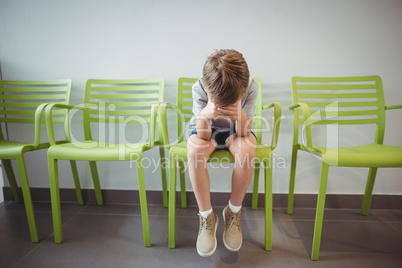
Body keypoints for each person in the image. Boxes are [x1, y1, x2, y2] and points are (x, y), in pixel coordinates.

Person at [187, 49, 258, 257]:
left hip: (237, 130)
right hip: (205, 131)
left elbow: (243, 132)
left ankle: (233, 211)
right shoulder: (200, 87)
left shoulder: (250, 88)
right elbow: (202, 135)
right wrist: (206, 114)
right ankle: (207, 216)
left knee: (247, 150)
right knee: (195, 152)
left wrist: (240, 114)